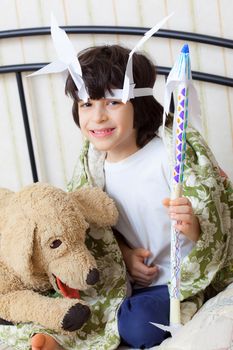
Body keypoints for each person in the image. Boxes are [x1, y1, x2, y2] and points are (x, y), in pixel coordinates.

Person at [31, 44, 202, 350]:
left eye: (112, 102)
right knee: (53, 296)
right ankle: (53, 338)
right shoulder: (92, 167)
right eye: (86, 104)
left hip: (173, 283)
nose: (97, 117)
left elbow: (211, 225)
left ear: (139, 104)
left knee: (138, 325)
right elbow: (94, 232)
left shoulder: (168, 156)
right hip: (119, 281)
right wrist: (123, 253)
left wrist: (191, 225)